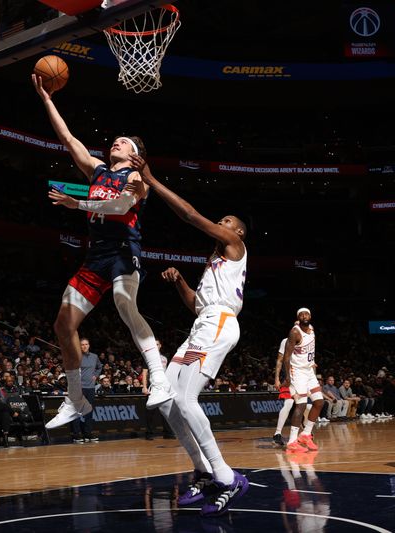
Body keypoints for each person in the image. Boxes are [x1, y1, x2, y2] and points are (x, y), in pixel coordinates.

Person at [32, 74, 174, 429]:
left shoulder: (136, 180)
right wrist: (46, 97)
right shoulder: (97, 171)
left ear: (135, 155)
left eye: (123, 142)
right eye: (115, 140)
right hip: (95, 257)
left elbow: (121, 207)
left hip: (124, 252)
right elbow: (66, 137)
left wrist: (75, 204)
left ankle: (158, 377)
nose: (116, 142)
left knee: (125, 305)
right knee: (63, 323)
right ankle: (76, 399)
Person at [129, 154, 249, 516]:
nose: (221, 223)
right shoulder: (214, 264)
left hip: (220, 324)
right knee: (166, 397)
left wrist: (152, 178)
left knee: (186, 400)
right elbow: (197, 306)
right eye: (222, 220)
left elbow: (190, 216)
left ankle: (226, 477)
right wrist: (181, 281)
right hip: (204, 322)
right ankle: (203, 469)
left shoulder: (234, 245)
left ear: (237, 232)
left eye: (227, 221)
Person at [281, 308, 325, 454]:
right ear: (298, 318)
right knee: (301, 404)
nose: (304, 316)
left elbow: (310, 348)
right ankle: (292, 441)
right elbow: (286, 357)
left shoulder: (311, 329)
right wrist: (287, 377)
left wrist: (312, 361)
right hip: (297, 372)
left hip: (308, 370)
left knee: (319, 402)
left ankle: (306, 434)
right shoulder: (295, 332)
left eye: (306, 314)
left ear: (310, 316)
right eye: (301, 314)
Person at [69, 338, 102, 443]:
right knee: (77, 412)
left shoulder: (94, 356)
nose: (84, 346)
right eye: (82, 344)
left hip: (91, 388)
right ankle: (76, 435)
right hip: (79, 388)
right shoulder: (76, 356)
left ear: (89, 345)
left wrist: (95, 375)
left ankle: (88, 433)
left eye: (86, 344)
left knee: (89, 412)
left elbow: (99, 367)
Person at [272, 337, 294, 447]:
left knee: (308, 405)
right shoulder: (286, 341)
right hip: (288, 376)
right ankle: (277, 433)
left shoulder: (307, 340)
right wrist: (276, 378)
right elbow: (280, 360)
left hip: (302, 376)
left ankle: (305, 432)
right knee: (289, 403)